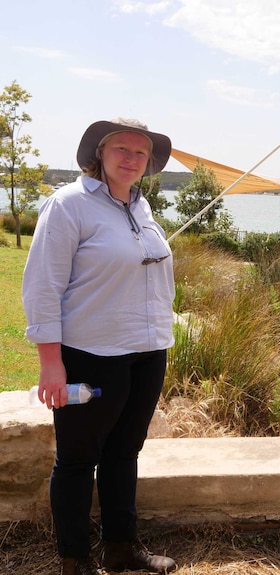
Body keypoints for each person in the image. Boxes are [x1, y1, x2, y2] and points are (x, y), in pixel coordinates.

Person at [23, 118, 178, 575]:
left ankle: (121, 549)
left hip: (146, 350)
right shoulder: (69, 204)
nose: (131, 159)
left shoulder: (140, 208)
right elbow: (42, 287)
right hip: (91, 353)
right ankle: (74, 560)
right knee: (76, 459)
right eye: (122, 150)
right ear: (101, 154)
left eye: (140, 153)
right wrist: (51, 362)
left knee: (124, 452)